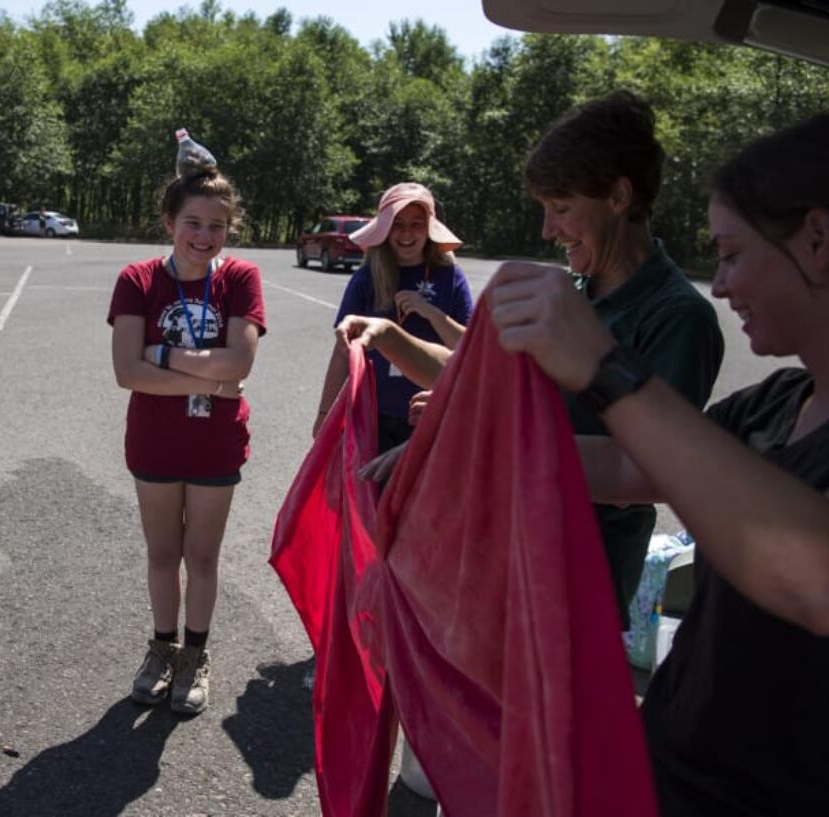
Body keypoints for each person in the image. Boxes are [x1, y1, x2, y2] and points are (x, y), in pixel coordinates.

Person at [485, 113, 829, 817]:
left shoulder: (676, 323)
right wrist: (466, 459)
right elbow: (629, 465)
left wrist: (605, 368)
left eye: (729, 254)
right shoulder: (776, 402)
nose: (722, 285)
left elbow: (810, 573)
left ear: (819, 240)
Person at [343, 91, 725, 625]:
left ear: (619, 196)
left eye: (562, 208)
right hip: (504, 555)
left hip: (577, 581)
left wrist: (476, 439)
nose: (547, 230)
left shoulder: (676, 317)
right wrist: (388, 337)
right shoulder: (569, 289)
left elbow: (646, 472)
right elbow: (473, 379)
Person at [108, 138, 266, 715]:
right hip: (154, 440)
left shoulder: (241, 278)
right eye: (192, 223)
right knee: (160, 553)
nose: (204, 236)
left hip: (215, 445)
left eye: (217, 226)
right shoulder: (139, 279)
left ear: (230, 229)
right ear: (170, 221)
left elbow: (240, 363)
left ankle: (194, 655)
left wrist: (164, 356)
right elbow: (127, 372)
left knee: (201, 556)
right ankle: (161, 649)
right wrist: (210, 380)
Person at [313, 183, 472, 454]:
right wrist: (324, 415)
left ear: (430, 228)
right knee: (371, 495)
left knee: (425, 496)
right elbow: (342, 351)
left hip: (433, 415)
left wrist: (431, 312)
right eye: (397, 223)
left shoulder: (450, 277)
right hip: (372, 416)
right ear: (384, 228)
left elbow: (470, 350)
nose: (406, 233)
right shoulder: (365, 279)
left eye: (416, 223)